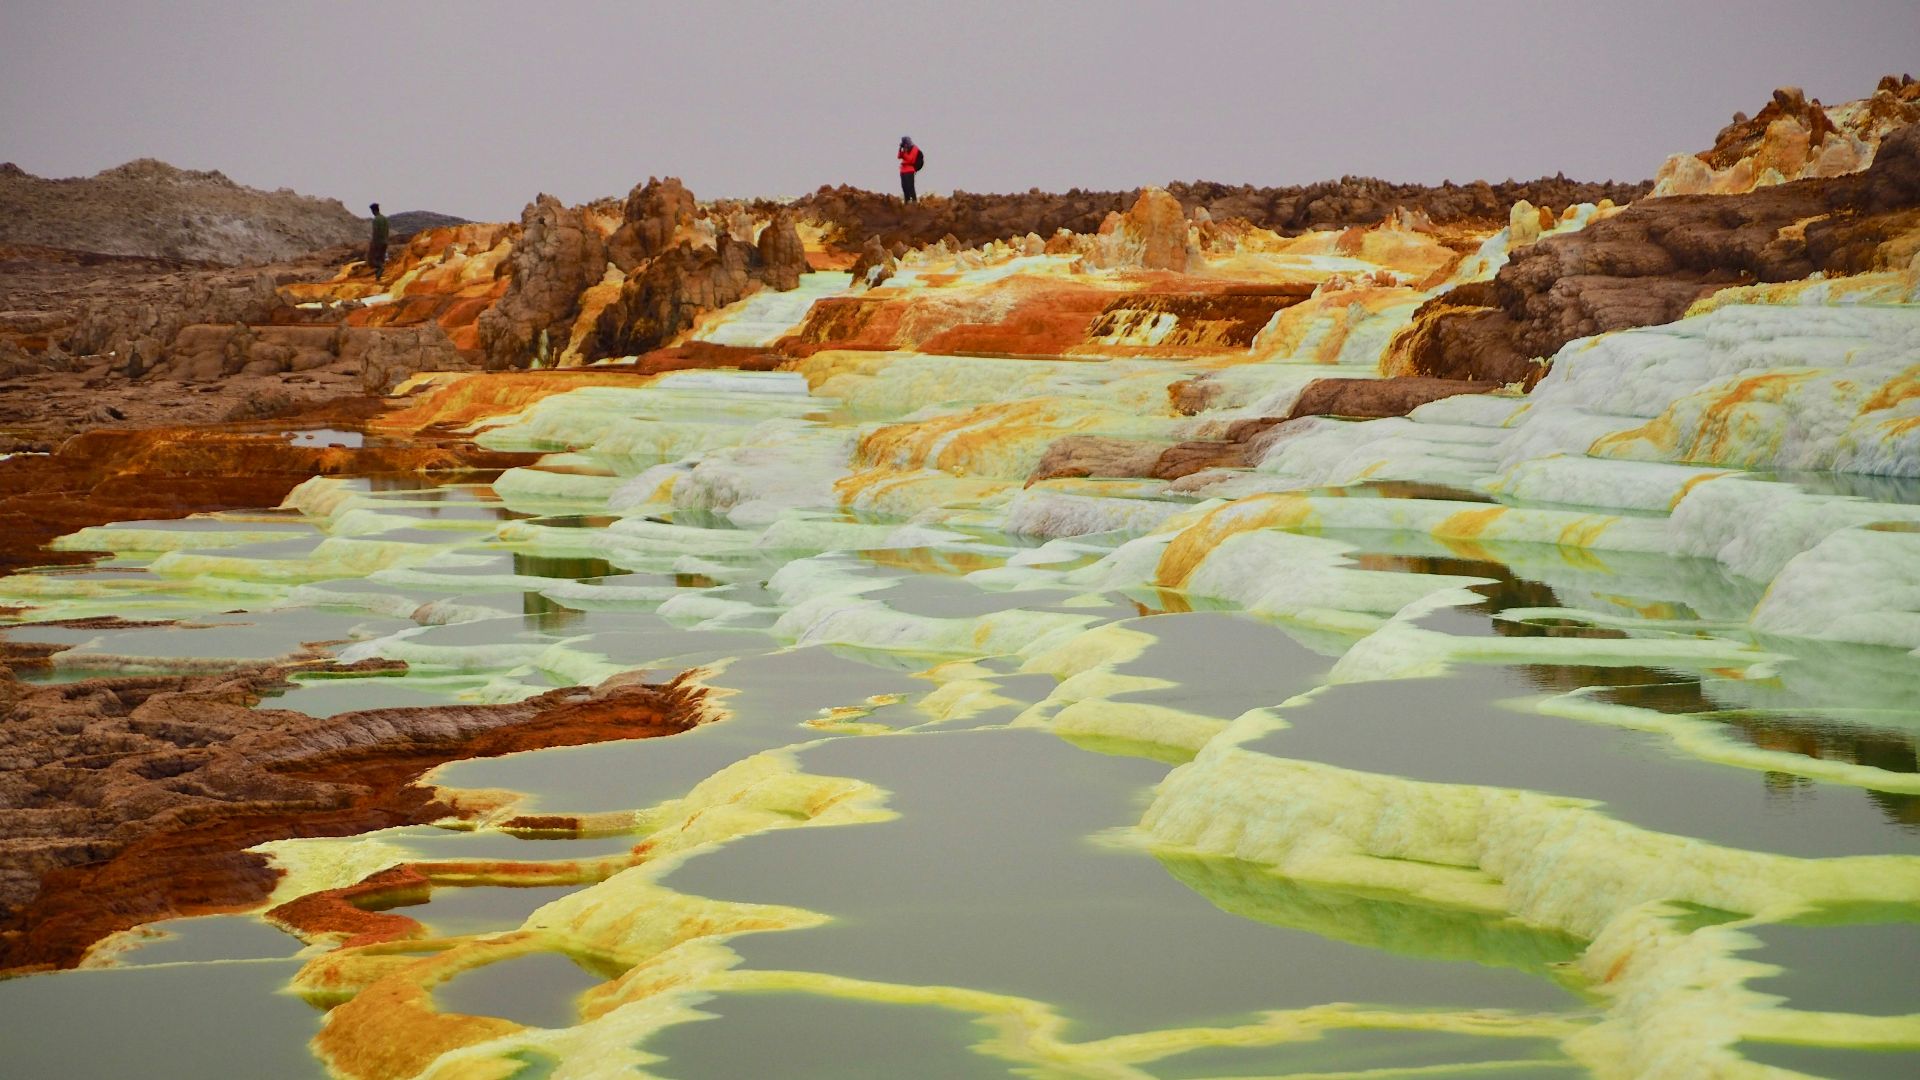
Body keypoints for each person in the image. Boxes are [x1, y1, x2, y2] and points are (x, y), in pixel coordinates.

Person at [366, 202, 389, 278]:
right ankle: (378, 278)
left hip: (378, 242)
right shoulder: (384, 219)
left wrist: (373, 243)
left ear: (374, 210)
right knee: (381, 259)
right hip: (385, 241)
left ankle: (380, 272)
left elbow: (376, 232)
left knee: (373, 260)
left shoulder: (376, 220)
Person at [897, 137, 924, 203]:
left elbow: (910, 160)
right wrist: (900, 149)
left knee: (910, 186)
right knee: (904, 187)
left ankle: (914, 202)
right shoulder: (906, 149)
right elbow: (899, 156)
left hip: (910, 170)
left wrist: (905, 152)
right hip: (903, 170)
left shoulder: (915, 149)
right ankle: (907, 201)